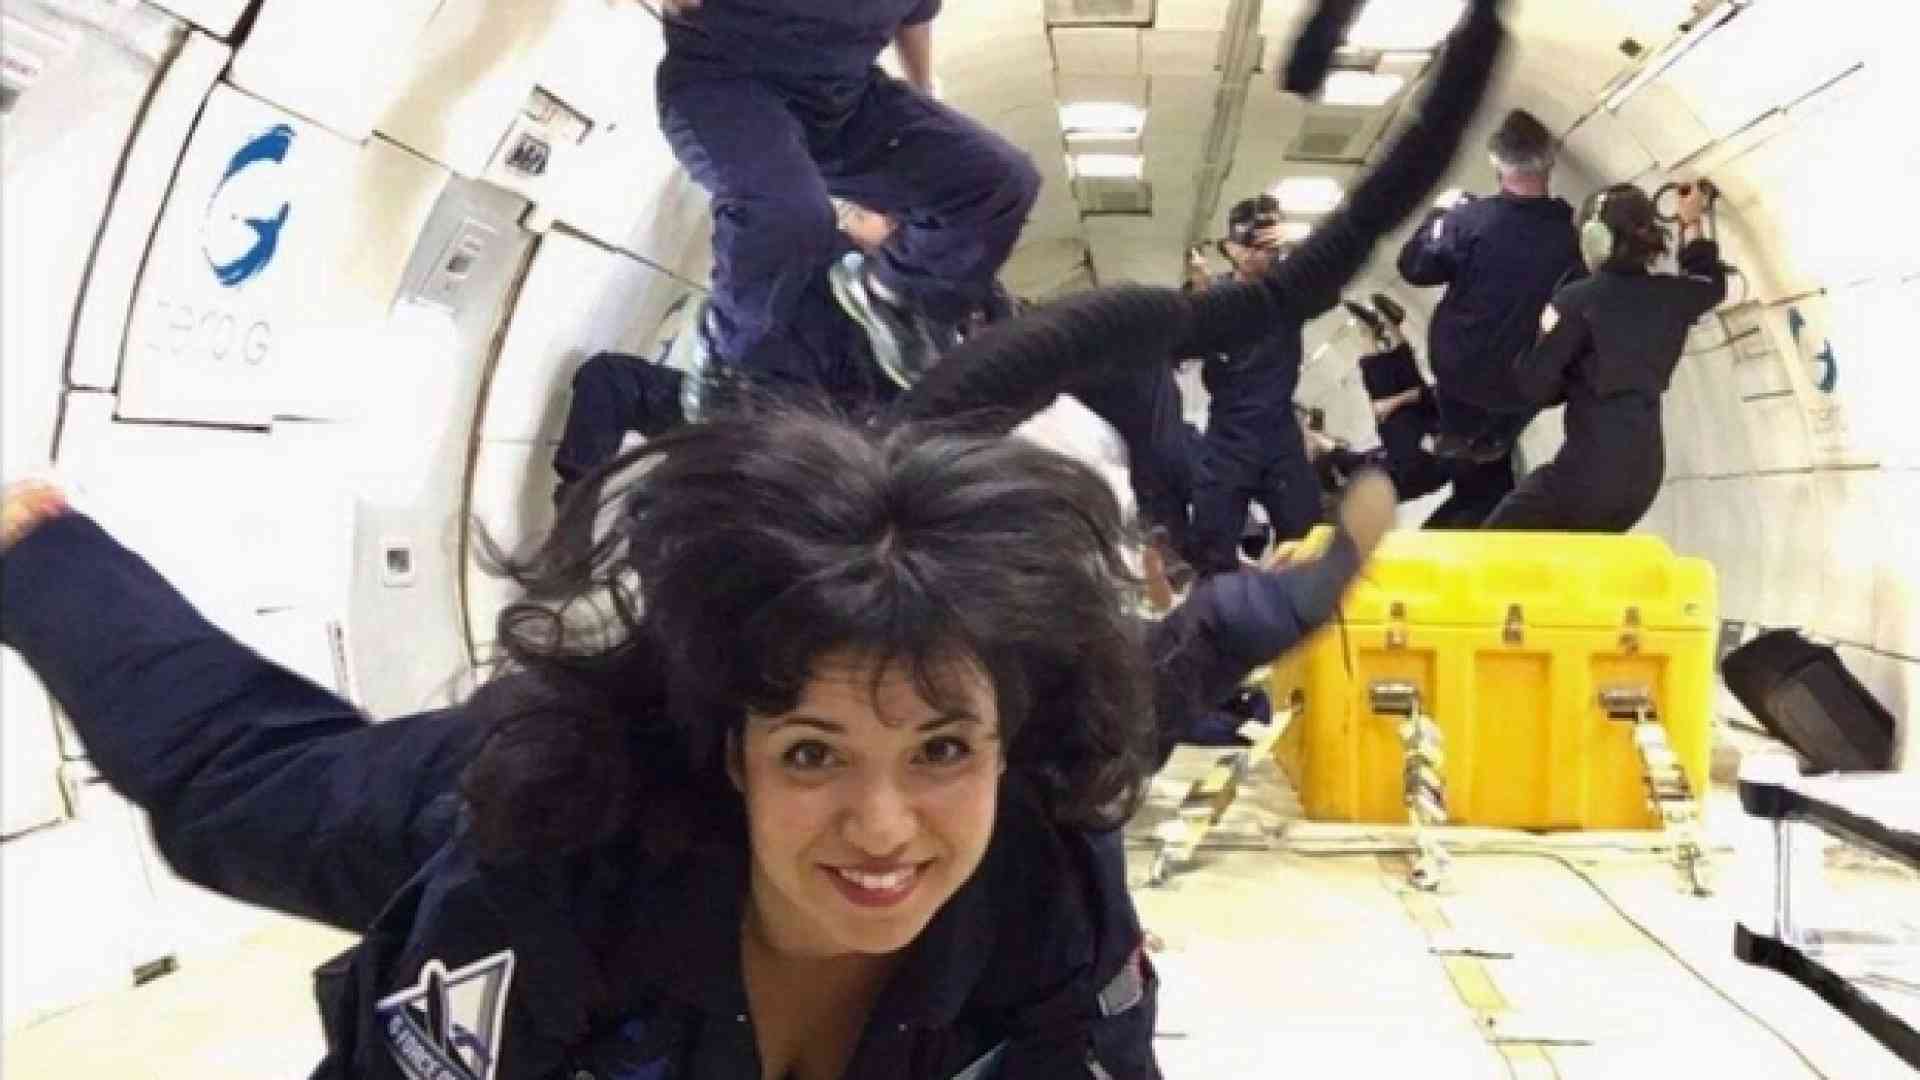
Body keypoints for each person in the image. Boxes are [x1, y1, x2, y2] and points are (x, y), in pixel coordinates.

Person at [0, 409, 1163, 1078]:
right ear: (734, 750)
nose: (883, 827)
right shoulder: (544, 878)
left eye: (942, 753)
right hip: (506, 795)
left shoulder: (1050, 881)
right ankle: (37, 549)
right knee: (235, 791)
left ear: (1009, 748)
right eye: (814, 753)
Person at [655, 0, 1040, 392]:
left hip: (843, 100)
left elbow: (916, 19)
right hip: (727, 88)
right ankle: (726, 358)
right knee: (789, 214)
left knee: (999, 180)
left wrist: (925, 107)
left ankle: (901, 296)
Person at [1482, 181, 1727, 531]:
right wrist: (1691, 223)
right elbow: (1709, 284)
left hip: (1587, 474)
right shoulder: (1671, 296)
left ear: (1595, 238)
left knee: (1494, 540)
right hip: (1643, 481)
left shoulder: (1575, 301)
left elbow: (1534, 385)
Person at [1396, 108, 1583, 527]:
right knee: (1537, 380)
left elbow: (1414, 268)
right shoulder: (1572, 237)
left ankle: (1457, 438)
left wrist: (1437, 215)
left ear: (1496, 164)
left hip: (1460, 372)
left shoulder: (1467, 221)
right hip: (1526, 384)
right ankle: (1496, 441)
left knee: (1464, 396)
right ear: (1550, 161)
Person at [1183, 196, 1325, 575]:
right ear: (1231, 248)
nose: (1261, 255)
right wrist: (1200, 295)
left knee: (1308, 545)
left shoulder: (1289, 293)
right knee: (1209, 552)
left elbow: (1328, 280)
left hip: (1280, 435)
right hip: (1229, 438)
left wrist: (1300, 248)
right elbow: (1183, 339)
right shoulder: (1213, 297)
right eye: (1252, 246)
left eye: (1269, 246)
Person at [1337, 293, 1451, 503]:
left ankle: (1383, 325)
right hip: (1402, 414)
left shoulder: (1408, 476)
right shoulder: (1412, 473)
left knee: (1397, 370)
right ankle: (1372, 327)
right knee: (1381, 374)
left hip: (1412, 415)